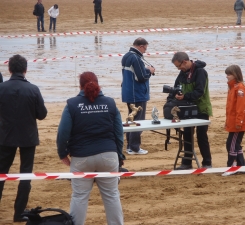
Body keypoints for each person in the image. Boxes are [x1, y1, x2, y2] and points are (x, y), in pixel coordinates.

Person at [56, 72, 124, 225]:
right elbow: (119, 133)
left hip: (81, 157)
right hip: (108, 154)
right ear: (98, 84)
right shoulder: (110, 103)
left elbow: (63, 133)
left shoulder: (72, 104)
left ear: (80, 86)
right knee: (112, 195)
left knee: (79, 196)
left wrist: (62, 153)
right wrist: (119, 155)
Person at [0, 54, 47, 222]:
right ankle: (19, 213)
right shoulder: (33, 89)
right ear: (25, 70)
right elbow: (42, 114)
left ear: (10, 69)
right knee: (25, 174)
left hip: (5, 136)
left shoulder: (2, 88)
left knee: (1, 173)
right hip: (27, 136)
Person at [169, 52, 212, 170]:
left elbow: (199, 91)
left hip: (201, 108)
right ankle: (187, 162)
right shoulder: (182, 73)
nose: (179, 69)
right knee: (187, 134)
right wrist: (172, 98)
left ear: (185, 62)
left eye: (179, 66)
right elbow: (176, 87)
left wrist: (185, 96)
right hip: (187, 109)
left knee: (201, 135)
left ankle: (207, 162)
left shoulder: (200, 72)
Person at [121, 37, 155, 155]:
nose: (145, 51)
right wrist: (149, 71)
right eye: (145, 48)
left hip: (128, 92)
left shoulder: (127, 56)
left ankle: (130, 146)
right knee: (138, 120)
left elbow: (133, 73)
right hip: (137, 94)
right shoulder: (136, 58)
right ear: (141, 46)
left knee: (131, 118)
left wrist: (145, 69)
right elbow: (141, 77)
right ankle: (134, 147)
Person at [222, 65, 245, 176]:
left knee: (231, 144)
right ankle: (242, 167)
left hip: (238, 123)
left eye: (229, 74)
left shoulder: (240, 89)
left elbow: (241, 108)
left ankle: (232, 167)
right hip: (233, 122)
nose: (227, 77)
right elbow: (230, 108)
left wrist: (239, 122)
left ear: (235, 74)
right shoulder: (232, 88)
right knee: (235, 144)